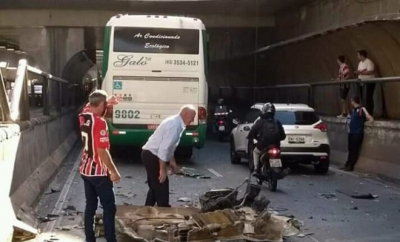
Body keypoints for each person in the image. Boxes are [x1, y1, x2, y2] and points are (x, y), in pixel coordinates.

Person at [78, 90, 121, 242]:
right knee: (109, 208)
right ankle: (111, 239)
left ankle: (89, 238)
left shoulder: (83, 116)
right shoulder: (100, 122)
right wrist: (113, 171)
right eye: (105, 106)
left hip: (85, 170)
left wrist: (106, 100)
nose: (107, 109)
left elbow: (89, 105)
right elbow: (102, 151)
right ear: (101, 105)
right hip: (99, 173)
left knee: (90, 206)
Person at [141, 105, 197, 207]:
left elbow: (170, 146)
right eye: (192, 117)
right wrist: (162, 169)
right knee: (161, 184)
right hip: (151, 154)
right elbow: (164, 149)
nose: (192, 120)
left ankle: (147, 209)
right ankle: (164, 209)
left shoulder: (177, 123)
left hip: (151, 153)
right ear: (185, 114)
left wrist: (172, 162)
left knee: (155, 186)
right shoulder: (174, 125)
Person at [247, 103, 286, 175]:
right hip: (276, 145)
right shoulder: (277, 122)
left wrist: (251, 137)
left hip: (263, 145)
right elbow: (283, 136)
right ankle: (280, 169)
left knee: (255, 152)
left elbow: (253, 132)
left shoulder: (260, 122)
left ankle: (255, 168)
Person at [341, 96, 374, 172]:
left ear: (353, 101)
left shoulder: (361, 109)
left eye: (351, 101)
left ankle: (350, 166)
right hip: (351, 132)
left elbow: (369, 117)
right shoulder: (353, 110)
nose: (350, 102)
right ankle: (347, 164)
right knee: (350, 149)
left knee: (354, 150)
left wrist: (369, 121)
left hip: (357, 133)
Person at [354, 50, 376, 116]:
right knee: (362, 98)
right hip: (361, 82)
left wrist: (360, 72)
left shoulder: (369, 62)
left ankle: (370, 112)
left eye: (358, 55)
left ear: (362, 55)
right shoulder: (360, 63)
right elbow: (360, 71)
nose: (357, 56)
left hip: (368, 82)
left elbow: (370, 71)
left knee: (368, 97)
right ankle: (363, 112)